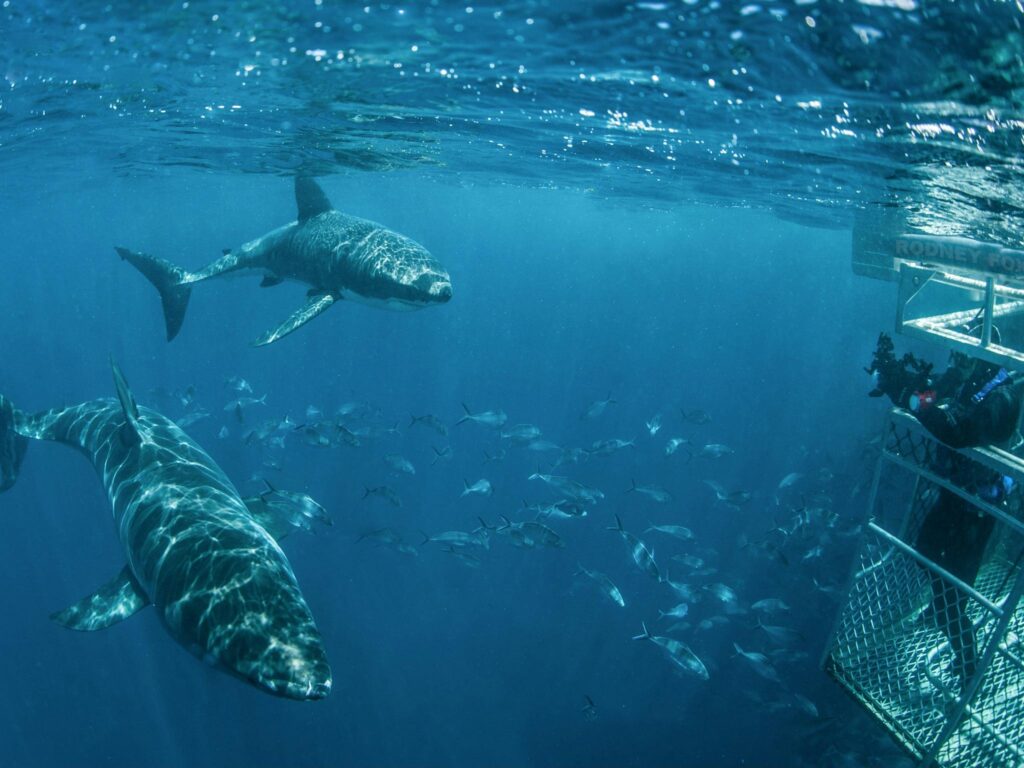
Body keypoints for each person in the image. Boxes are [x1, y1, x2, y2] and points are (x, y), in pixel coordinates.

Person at [868, 327, 1023, 687]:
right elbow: (931, 394)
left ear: (985, 354)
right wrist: (897, 383)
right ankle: (940, 610)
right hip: (956, 491)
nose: (956, 361)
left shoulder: (1002, 398)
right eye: (955, 352)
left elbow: (959, 431)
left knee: (956, 590)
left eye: (964, 354)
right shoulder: (966, 376)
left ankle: (968, 662)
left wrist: (914, 402)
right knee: (923, 548)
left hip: (980, 507)